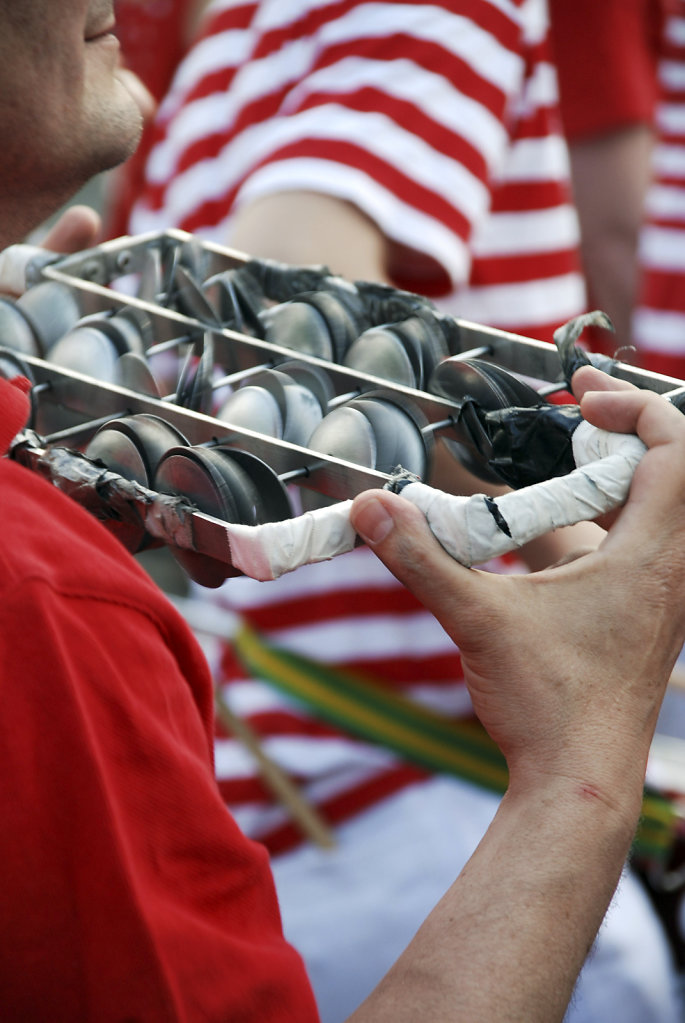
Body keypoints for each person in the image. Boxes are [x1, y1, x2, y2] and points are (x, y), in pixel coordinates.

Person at [1, 5, 685, 1019]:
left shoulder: (221, 34)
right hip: (419, 802)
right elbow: (272, 345)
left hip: (272, 769)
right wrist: (597, 697)